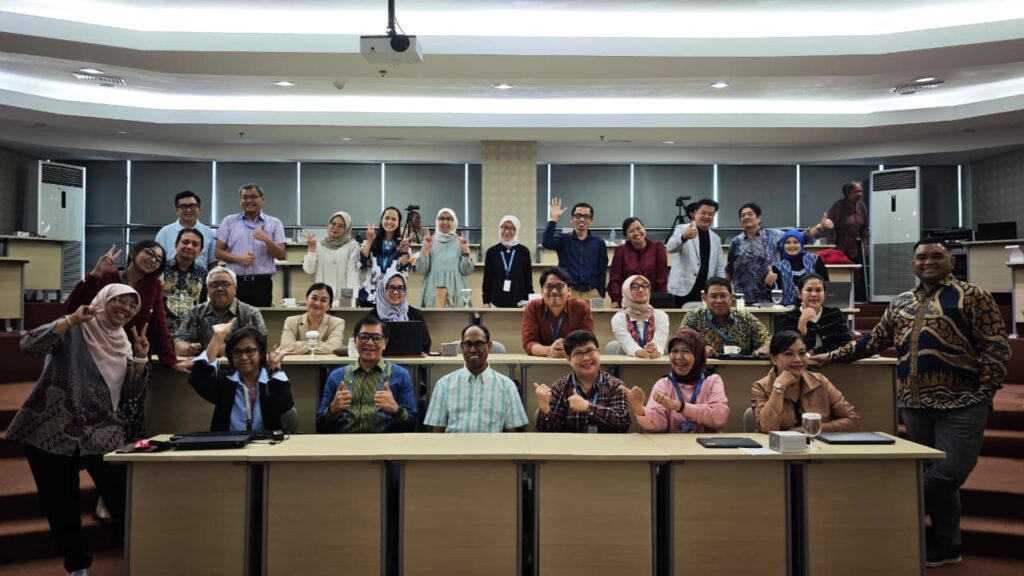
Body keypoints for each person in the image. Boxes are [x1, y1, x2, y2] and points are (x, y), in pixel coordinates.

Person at [813, 239, 1010, 568]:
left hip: (963, 402)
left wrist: (986, 390)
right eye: (921, 257)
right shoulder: (901, 302)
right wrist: (830, 356)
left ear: (952, 261)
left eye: (936, 256)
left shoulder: (973, 296)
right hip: (914, 403)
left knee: (949, 472)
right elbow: (874, 341)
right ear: (913, 263)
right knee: (934, 473)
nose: (928, 261)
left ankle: (888, 514)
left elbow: (996, 347)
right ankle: (948, 544)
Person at [7, 285, 150, 576]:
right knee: (61, 505)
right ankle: (76, 566)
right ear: (104, 300)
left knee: (122, 496)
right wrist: (70, 320)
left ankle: (142, 559)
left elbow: (130, 393)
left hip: (101, 431)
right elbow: (28, 344)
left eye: (132, 304)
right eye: (119, 300)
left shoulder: (124, 342)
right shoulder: (75, 329)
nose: (125, 308)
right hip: (52, 430)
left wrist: (139, 359)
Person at [68, 240, 176, 367]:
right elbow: (74, 309)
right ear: (133, 253)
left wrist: (170, 360)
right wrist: (95, 274)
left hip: (132, 354)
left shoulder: (154, 285)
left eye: (158, 260)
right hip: (95, 350)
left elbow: (159, 324)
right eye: (149, 253)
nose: (153, 260)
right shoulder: (106, 276)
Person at [316, 317, 417, 433]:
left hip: (385, 442)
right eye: (363, 337)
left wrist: (396, 409)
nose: (369, 343)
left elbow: (412, 424)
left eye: (376, 338)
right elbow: (320, 426)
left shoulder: (400, 375)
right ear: (355, 341)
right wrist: (332, 409)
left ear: (385, 343)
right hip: (346, 441)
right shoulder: (336, 376)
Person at [188, 321, 293, 432]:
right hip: (228, 441)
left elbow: (284, 405)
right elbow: (197, 379)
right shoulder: (225, 382)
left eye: (249, 351)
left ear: (261, 353)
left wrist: (275, 366)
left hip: (265, 441)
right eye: (237, 352)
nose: (243, 357)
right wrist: (217, 338)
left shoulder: (271, 382)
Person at [425, 324, 529, 433]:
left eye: (479, 344)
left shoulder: (507, 386)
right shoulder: (444, 384)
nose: (473, 350)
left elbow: (511, 433)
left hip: (492, 444)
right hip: (455, 444)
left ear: (489, 345)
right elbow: (437, 431)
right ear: (462, 347)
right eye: (467, 344)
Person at [752, 330, 860, 433]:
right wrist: (778, 388)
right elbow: (767, 427)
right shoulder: (761, 386)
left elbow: (853, 421)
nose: (798, 359)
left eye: (802, 353)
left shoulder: (820, 381)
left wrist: (808, 430)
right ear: (774, 359)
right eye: (789, 354)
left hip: (817, 444)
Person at [726, 203, 831, 303]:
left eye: (750, 214)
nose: (746, 217)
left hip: (769, 293)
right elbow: (730, 269)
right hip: (742, 295)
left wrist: (819, 227)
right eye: (743, 215)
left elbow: (801, 237)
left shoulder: (773, 235)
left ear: (759, 218)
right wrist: (727, 290)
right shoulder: (736, 242)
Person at [629, 329, 729, 433]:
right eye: (674, 351)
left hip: (705, 443)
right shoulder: (664, 384)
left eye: (686, 351)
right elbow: (658, 425)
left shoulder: (712, 381)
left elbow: (719, 419)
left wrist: (679, 407)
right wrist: (639, 409)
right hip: (673, 443)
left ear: (698, 355)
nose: (678, 357)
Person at [533, 330, 631, 433]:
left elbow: (623, 423)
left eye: (590, 351)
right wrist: (545, 409)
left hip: (607, 443)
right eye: (578, 353)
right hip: (571, 443)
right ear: (569, 359)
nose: (586, 358)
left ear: (598, 352)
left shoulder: (615, 385)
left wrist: (589, 408)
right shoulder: (560, 387)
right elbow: (550, 431)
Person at [215, 183, 287, 307]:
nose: (248, 201)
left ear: (262, 199)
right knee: (232, 317)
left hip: (261, 284)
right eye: (245, 197)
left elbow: (281, 255)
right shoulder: (229, 221)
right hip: (234, 282)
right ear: (240, 201)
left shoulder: (275, 223)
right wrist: (239, 259)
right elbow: (218, 252)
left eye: (253, 197)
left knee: (259, 317)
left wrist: (266, 239)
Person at [174, 267, 267, 358]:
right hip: (204, 364)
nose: (219, 288)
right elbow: (179, 342)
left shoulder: (251, 313)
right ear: (208, 290)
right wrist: (188, 349)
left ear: (235, 288)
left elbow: (261, 346)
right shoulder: (195, 312)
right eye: (214, 285)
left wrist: (227, 350)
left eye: (225, 284)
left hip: (240, 365)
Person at [679, 276, 770, 357]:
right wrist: (699, 351)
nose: (719, 301)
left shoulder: (745, 317)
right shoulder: (694, 317)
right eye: (713, 296)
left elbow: (766, 339)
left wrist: (765, 347)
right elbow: (681, 341)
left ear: (731, 298)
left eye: (723, 296)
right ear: (705, 298)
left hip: (741, 369)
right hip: (705, 368)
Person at [542, 198, 608, 300]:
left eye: (586, 216)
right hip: (569, 292)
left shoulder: (599, 243)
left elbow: (602, 270)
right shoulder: (564, 239)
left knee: (594, 312)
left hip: (592, 293)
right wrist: (554, 218)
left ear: (591, 220)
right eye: (578, 216)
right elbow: (547, 242)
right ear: (572, 219)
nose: (581, 219)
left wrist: (601, 293)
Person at [521, 267, 595, 357]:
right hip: (541, 361)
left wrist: (569, 350)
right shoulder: (533, 307)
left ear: (569, 290)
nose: (554, 291)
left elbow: (586, 340)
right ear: (542, 291)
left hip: (574, 360)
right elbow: (529, 343)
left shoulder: (581, 307)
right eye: (549, 287)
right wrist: (549, 351)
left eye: (560, 286)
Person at [666, 199, 726, 306]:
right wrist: (684, 237)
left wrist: (721, 289)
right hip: (682, 289)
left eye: (711, 214)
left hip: (705, 292)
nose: (707, 216)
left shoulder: (715, 238)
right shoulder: (682, 229)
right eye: (703, 213)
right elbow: (670, 248)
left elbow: (719, 267)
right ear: (695, 214)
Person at [774, 274, 851, 354]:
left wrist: (816, 352)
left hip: (831, 361)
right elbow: (788, 349)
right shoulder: (787, 317)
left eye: (818, 290)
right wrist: (802, 323)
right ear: (799, 294)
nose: (814, 294)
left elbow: (847, 345)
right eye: (809, 290)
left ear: (824, 294)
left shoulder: (835, 314)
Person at [364, 270, 432, 355]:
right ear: (383, 289)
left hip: (411, 362)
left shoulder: (416, 315)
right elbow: (366, 344)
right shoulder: (371, 316)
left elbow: (426, 345)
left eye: (400, 288)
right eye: (391, 288)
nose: (395, 292)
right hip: (379, 362)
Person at [416, 207, 475, 307]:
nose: (445, 222)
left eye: (449, 219)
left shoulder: (461, 242)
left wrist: (465, 252)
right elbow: (422, 271)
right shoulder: (429, 241)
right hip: (433, 289)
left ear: (454, 221)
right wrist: (425, 250)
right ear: (437, 221)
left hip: (456, 289)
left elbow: (466, 271)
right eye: (441, 218)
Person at [302, 210, 361, 303]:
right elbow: (309, 270)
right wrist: (311, 250)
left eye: (340, 226)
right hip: (321, 297)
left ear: (347, 229)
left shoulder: (352, 246)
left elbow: (352, 275)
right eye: (333, 224)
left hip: (341, 297)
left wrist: (346, 301)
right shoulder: (319, 244)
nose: (335, 228)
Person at [608, 217, 668, 307]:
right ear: (626, 236)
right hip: (628, 301)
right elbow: (615, 279)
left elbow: (661, 278)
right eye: (631, 231)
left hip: (652, 300)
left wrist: (660, 300)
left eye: (638, 228)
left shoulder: (658, 247)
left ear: (644, 228)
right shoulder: (621, 251)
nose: (636, 233)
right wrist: (615, 300)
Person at [358, 206, 412, 307]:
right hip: (369, 296)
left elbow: (405, 273)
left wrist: (404, 251)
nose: (389, 221)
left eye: (394, 219)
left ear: (398, 223)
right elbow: (361, 265)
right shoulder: (369, 242)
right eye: (387, 218)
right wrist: (369, 242)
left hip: (393, 297)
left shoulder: (403, 245)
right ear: (381, 220)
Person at [827, 180, 869, 302]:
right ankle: (839, 301)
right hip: (839, 247)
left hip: (855, 246)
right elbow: (830, 228)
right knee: (840, 275)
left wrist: (865, 244)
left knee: (856, 275)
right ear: (848, 193)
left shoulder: (862, 206)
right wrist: (831, 250)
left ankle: (855, 300)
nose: (859, 194)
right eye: (856, 192)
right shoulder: (838, 206)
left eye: (860, 191)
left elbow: (864, 228)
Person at [154, 190, 217, 269]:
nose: (188, 210)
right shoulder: (164, 232)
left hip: (200, 276)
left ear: (199, 209)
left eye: (193, 206)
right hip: (169, 275)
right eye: (183, 206)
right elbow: (156, 260)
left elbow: (212, 263)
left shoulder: (209, 233)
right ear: (177, 210)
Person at [610, 275, 670, 358]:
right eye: (634, 287)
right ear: (626, 291)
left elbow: (660, 341)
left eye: (645, 286)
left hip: (655, 361)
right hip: (629, 363)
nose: (641, 290)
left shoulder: (661, 316)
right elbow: (627, 343)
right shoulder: (619, 318)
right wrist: (640, 352)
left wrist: (654, 351)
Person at [162, 228, 208, 334]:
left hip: (190, 332)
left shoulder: (203, 273)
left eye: (195, 244)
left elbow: (203, 304)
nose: (189, 247)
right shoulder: (161, 268)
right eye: (185, 242)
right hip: (162, 329)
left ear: (200, 250)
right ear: (176, 245)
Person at [482, 214, 533, 308]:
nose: (507, 231)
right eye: (504, 227)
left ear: (516, 230)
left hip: (520, 303)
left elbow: (528, 279)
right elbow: (487, 279)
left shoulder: (524, 251)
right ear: (500, 228)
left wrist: (529, 300)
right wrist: (486, 301)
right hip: (495, 302)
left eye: (511, 228)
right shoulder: (492, 252)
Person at [279, 283, 345, 355]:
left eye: (323, 300)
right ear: (307, 300)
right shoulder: (291, 321)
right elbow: (286, 346)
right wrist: (320, 345)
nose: (317, 303)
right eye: (314, 298)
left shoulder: (337, 322)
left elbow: (335, 347)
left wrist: (299, 347)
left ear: (329, 305)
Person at [772, 230, 828, 306]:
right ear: (783, 245)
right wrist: (770, 284)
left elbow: (825, 283)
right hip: (788, 308)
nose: (792, 246)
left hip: (814, 305)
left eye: (795, 242)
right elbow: (776, 293)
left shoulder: (815, 259)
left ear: (801, 243)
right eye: (788, 242)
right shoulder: (778, 267)